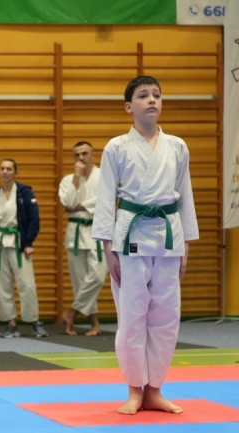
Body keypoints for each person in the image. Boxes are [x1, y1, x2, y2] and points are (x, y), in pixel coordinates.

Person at [93, 75, 198, 415]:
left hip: (168, 235)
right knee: (132, 315)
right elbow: (106, 199)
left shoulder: (177, 146)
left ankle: (155, 390)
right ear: (129, 107)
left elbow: (186, 198)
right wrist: (108, 248)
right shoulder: (116, 148)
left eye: (156, 95)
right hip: (130, 236)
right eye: (143, 95)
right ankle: (134, 390)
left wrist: (186, 244)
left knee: (166, 317)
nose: (152, 100)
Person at [0, 159, 47, 338]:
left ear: (15, 173)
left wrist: (29, 242)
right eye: (2, 169)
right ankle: (11, 323)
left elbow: (34, 218)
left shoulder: (24, 192)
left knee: (27, 284)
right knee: (2, 285)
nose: (5, 172)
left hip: (19, 242)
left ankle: (34, 321)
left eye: (9, 169)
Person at [59, 142, 108, 336]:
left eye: (85, 153)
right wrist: (76, 178)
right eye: (77, 155)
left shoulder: (105, 176)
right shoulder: (68, 180)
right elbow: (68, 202)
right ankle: (94, 324)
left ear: (93, 155)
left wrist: (80, 206)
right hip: (76, 233)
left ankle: (71, 312)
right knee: (80, 282)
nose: (81, 158)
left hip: (98, 231)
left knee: (97, 276)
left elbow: (107, 199)